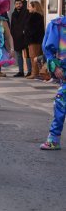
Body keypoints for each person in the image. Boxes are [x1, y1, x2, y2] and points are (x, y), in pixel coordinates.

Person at [40, 16, 66, 150]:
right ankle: (54, 139)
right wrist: (55, 66)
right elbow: (47, 48)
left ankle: (54, 139)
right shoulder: (58, 25)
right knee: (61, 104)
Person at [24, 1, 46, 79]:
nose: (28, 8)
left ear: (34, 7)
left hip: (34, 40)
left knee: (34, 56)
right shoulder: (34, 15)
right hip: (33, 39)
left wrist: (27, 33)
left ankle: (35, 73)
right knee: (33, 56)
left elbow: (33, 28)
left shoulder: (36, 16)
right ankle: (36, 72)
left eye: (30, 6)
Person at [10, 0, 29, 77]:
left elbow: (28, 23)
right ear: (15, 5)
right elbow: (12, 26)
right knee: (18, 55)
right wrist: (12, 35)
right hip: (16, 37)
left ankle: (30, 71)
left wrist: (25, 31)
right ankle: (21, 71)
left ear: (22, 4)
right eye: (17, 4)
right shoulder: (13, 14)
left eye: (20, 3)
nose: (18, 5)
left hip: (25, 36)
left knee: (27, 54)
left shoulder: (26, 12)